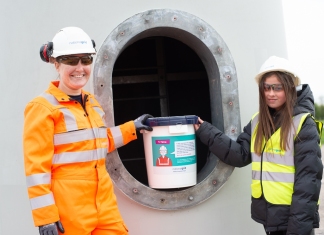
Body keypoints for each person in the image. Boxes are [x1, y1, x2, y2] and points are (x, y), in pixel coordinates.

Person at [23, 27, 153, 235]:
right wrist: (46, 217)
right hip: (70, 212)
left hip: (104, 205)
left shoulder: (91, 103)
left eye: (85, 60)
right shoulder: (42, 108)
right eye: (71, 60)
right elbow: (37, 170)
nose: (80, 68)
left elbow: (98, 142)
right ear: (56, 64)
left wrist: (133, 128)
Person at [194, 56, 323, 235]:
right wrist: (205, 130)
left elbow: (308, 183)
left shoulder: (304, 124)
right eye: (266, 87)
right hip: (271, 216)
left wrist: (297, 230)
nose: (270, 93)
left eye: (277, 88)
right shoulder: (259, 121)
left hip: (293, 221)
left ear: (291, 87)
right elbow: (239, 154)